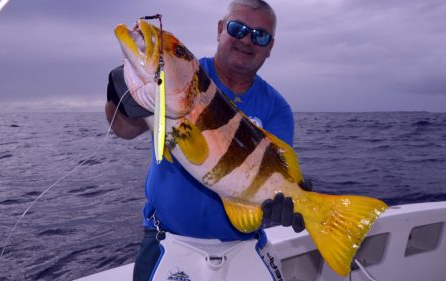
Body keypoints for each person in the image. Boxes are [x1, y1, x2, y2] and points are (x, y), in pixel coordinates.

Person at [105, 1, 310, 280]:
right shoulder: (186, 73)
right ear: (220, 29)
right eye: (238, 29)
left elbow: (280, 169)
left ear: (270, 47)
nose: (247, 40)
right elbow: (123, 129)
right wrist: (119, 93)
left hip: (245, 243)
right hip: (167, 239)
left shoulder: (277, 107)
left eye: (260, 35)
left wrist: (294, 200)